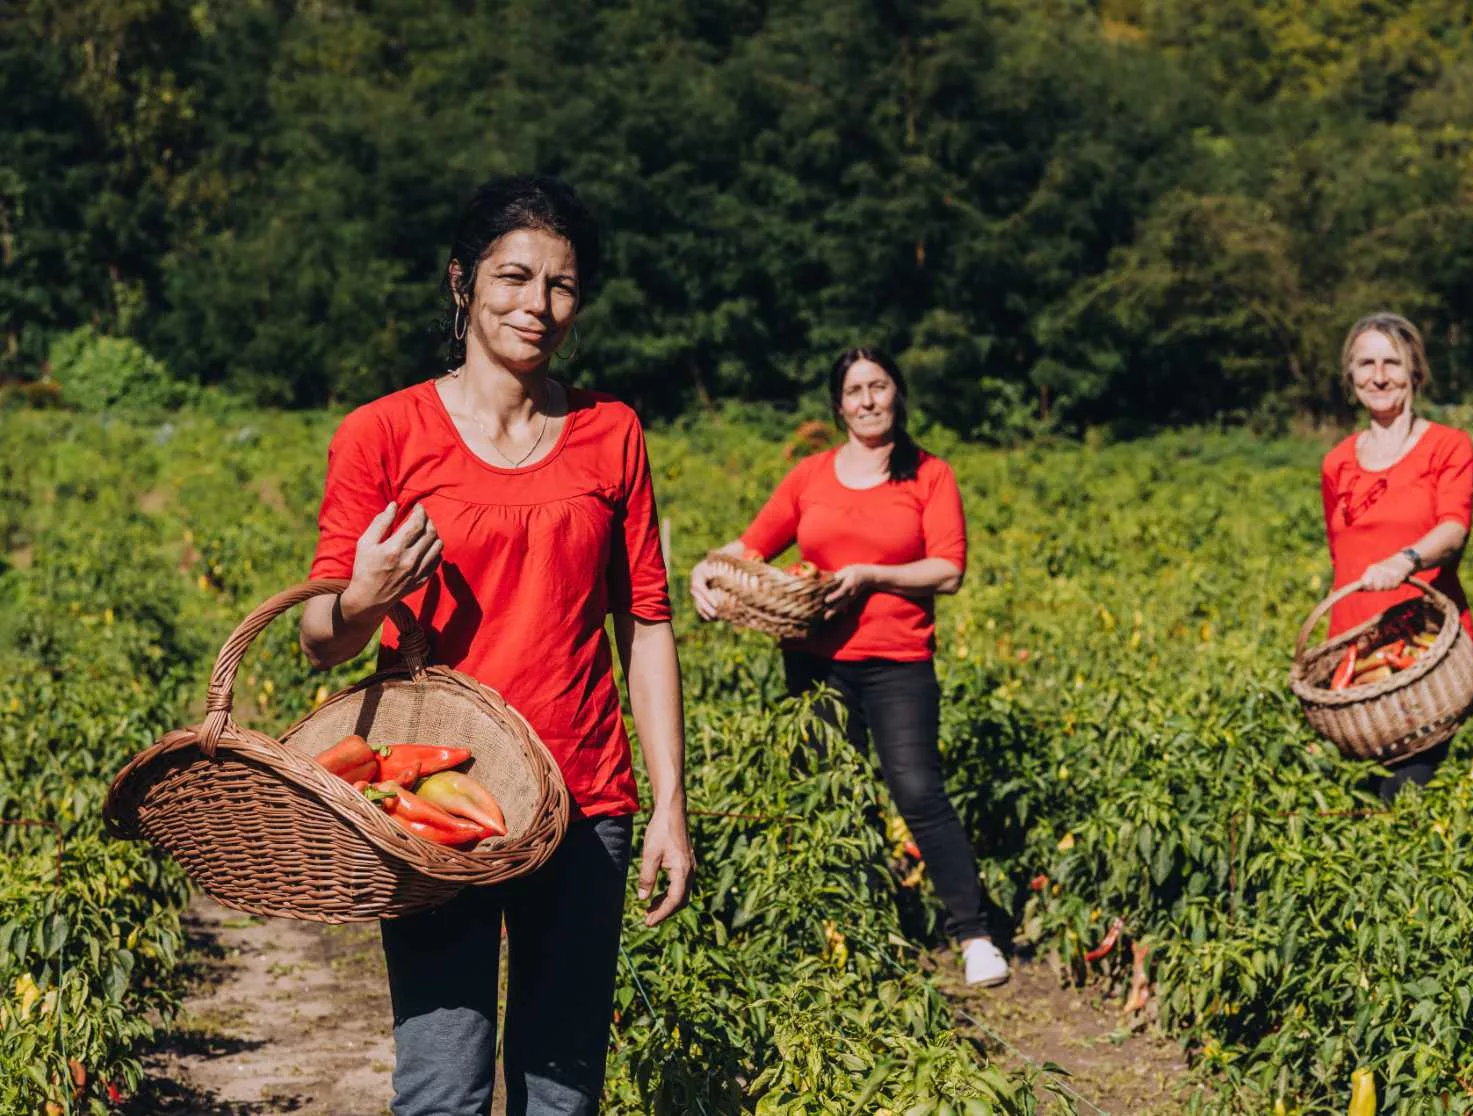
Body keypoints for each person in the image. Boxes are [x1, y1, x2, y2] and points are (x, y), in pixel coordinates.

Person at [298, 174, 692, 1116]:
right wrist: (364, 595)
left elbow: (646, 624)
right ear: (463, 283)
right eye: (514, 278)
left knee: (563, 1092)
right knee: (442, 1087)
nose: (538, 305)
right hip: (438, 806)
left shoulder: (612, 434)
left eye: (561, 285)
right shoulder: (383, 434)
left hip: (586, 797)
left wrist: (670, 803)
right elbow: (321, 640)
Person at [689, 348, 1009, 988]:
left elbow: (948, 569)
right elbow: (752, 544)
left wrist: (869, 576)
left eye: (879, 386)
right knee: (831, 794)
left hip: (897, 660)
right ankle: (853, 931)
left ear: (897, 395)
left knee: (918, 791)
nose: (867, 400)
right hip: (814, 662)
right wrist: (706, 567)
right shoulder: (811, 476)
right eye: (855, 390)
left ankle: (974, 934)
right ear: (838, 405)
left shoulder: (928, 476)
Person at [1320, 312, 1473, 801]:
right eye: (1366, 364)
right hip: (1354, 666)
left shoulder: (1448, 447)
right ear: (1351, 377)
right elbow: (1341, 559)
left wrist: (1406, 559)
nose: (1380, 375)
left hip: (1422, 655)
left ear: (1415, 373)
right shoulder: (1337, 462)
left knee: (1402, 804)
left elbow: (1454, 531)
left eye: (1392, 363)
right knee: (1353, 812)